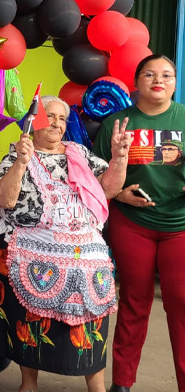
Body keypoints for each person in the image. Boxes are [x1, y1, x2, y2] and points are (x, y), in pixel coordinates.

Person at [0, 95, 131, 392]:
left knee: (92, 312)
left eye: (61, 118)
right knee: (29, 315)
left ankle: (97, 387)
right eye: (49, 116)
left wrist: (120, 158)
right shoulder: (17, 154)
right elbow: (4, 199)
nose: (56, 123)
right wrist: (21, 162)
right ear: (34, 122)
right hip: (32, 244)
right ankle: (28, 383)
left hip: (85, 248)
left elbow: (109, 189)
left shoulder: (79, 153)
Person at [93, 54, 185, 392]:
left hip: (180, 225)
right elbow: (96, 176)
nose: (158, 80)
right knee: (134, 300)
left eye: (166, 75)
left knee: (181, 304)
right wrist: (119, 195)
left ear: (175, 83)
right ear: (136, 82)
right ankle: (123, 384)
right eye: (149, 74)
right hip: (133, 223)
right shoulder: (117, 123)